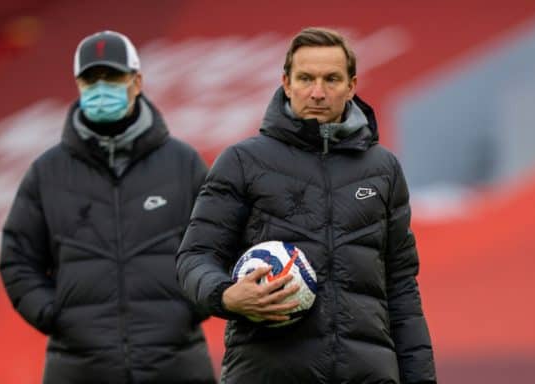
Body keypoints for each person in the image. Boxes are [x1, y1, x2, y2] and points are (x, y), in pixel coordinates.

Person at [176, 27, 436, 383]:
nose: (317, 92)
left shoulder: (383, 169)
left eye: (331, 79)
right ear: (286, 82)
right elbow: (194, 258)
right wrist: (226, 296)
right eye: (305, 78)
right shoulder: (241, 162)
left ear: (352, 85)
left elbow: (402, 286)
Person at [0, 30, 215, 384]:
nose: (101, 88)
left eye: (112, 76)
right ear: (78, 85)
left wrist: (188, 310)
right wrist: (55, 315)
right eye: (90, 79)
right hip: (78, 368)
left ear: (137, 81)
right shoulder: (47, 172)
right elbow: (17, 259)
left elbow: (217, 244)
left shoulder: (183, 163)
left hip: (176, 363)